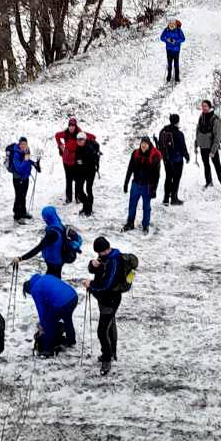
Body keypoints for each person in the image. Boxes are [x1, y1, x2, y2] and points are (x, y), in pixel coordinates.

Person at [86, 236, 124, 375]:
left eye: (100, 253)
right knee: (110, 325)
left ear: (106, 249)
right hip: (104, 299)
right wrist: (92, 264)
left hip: (111, 300)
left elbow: (107, 284)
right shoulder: (104, 256)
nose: (99, 255)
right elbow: (93, 270)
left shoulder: (114, 260)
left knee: (102, 331)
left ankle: (107, 359)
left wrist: (91, 284)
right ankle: (112, 352)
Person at [24, 272, 78, 357]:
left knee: (48, 323)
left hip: (61, 303)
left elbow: (41, 309)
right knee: (67, 318)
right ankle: (70, 340)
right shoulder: (46, 277)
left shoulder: (35, 289)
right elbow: (51, 294)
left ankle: (47, 349)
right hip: (73, 296)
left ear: (29, 289)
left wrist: (42, 324)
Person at [16, 205, 72, 278]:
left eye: (44, 218)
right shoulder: (60, 225)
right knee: (56, 279)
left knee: (51, 282)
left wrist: (21, 258)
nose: (44, 220)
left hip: (53, 262)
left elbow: (39, 248)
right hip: (60, 259)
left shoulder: (52, 233)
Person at [123, 135, 161, 232]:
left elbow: (157, 175)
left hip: (147, 186)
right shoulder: (135, 153)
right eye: (142, 143)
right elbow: (130, 168)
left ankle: (145, 225)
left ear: (149, 144)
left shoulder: (154, 156)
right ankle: (130, 223)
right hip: (136, 184)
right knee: (132, 204)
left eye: (146, 144)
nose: (143, 145)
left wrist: (154, 189)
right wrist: (126, 183)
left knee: (146, 207)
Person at [55, 117, 95, 205]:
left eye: (73, 125)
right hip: (66, 160)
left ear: (75, 126)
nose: (71, 127)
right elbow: (57, 135)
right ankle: (68, 198)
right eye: (70, 125)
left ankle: (78, 197)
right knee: (68, 179)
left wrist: (90, 147)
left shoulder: (80, 133)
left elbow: (92, 137)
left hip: (76, 161)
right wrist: (60, 145)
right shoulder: (65, 133)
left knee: (78, 180)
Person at [158, 113, 190, 205]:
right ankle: (174, 199)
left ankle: (165, 199)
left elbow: (160, 144)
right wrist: (187, 157)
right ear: (177, 121)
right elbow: (183, 147)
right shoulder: (179, 134)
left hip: (166, 159)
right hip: (177, 160)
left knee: (168, 177)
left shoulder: (163, 131)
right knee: (176, 178)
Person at [195, 100, 221, 192]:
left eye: (205, 106)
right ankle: (208, 182)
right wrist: (196, 144)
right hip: (203, 147)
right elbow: (198, 132)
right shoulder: (201, 117)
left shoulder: (215, 119)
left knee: (217, 166)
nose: (204, 108)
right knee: (206, 165)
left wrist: (213, 150)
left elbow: (217, 136)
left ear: (210, 107)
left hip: (211, 147)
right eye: (202, 106)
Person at [6, 137, 40, 222]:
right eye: (22, 144)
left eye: (25, 144)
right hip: (18, 178)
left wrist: (34, 164)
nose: (24, 146)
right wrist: (26, 158)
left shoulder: (26, 151)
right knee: (19, 196)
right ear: (19, 144)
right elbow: (19, 168)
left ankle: (23, 212)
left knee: (23, 196)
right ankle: (17, 215)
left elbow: (27, 160)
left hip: (25, 177)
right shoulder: (16, 154)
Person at [73, 132, 101, 216]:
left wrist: (82, 162)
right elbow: (76, 161)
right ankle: (86, 206)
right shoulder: (78, 148)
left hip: (90, 172)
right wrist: (75, 172)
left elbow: (90, 162)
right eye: (78, 139)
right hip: (81, 172)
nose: (79, 141)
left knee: (89, 189)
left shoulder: (90, 148)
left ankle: (89, 209)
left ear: (85, 140)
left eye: (81, 139)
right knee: (79, 190)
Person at [160, 18, 185, 83]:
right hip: (169, 50)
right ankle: (168, 77)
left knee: (176, 65)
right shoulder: (166, 30)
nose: (171, 25)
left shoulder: (178, 30)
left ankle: (177, 78)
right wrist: (167, 39)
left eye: (173, 24)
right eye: (170, 23)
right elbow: (161, 37)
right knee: (169, 64)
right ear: (168, 24)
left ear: (175, 24)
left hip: (176, 50)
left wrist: (175, 42)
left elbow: (183, 39)